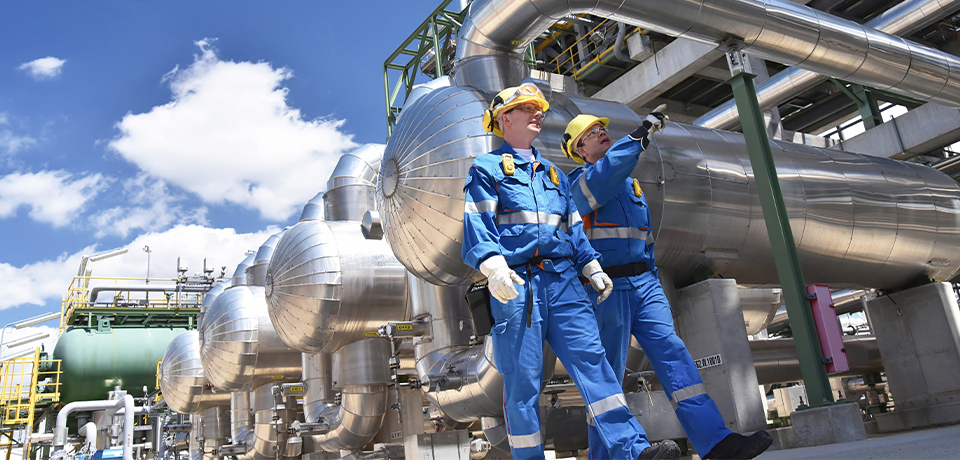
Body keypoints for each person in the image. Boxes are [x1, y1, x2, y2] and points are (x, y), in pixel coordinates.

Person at [462, 82, 680, 460]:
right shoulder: (487, 169)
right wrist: (494, 265)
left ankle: (632, 450)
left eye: (539, 108)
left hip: (564, 282)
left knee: (594, 364)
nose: (537, 114)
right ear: (504, 119)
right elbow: (478, 222)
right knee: (523, 383)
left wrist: (591, 265)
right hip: (518, 285)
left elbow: (573, 226)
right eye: (528, 108)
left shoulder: (553, 174)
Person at [562, 111, 774, 460]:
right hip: (606, 288)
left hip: (645, 283)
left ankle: (716, 442)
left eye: (603, 128)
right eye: (592, 132)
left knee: (674, 356)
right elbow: (605, 177)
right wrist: (640, 135)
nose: (602, 133)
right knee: (607, 377)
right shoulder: (580, 183)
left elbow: (642, 236)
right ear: (579, 149)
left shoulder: (630, 184)